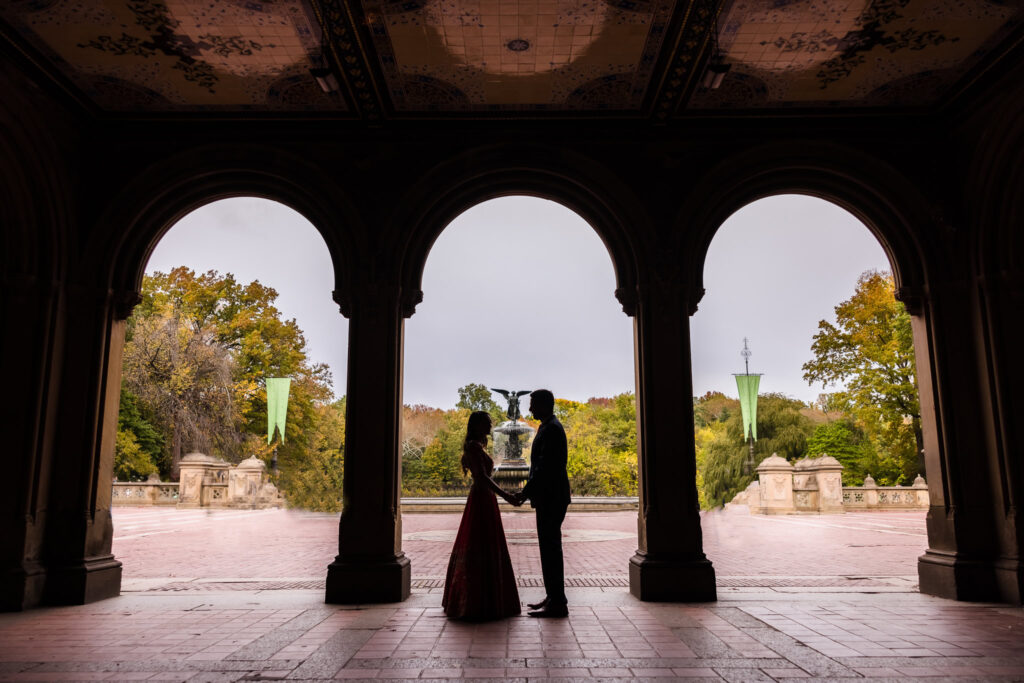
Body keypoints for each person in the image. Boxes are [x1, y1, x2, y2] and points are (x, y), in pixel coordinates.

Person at [442, 410, 522, 620]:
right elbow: (482, 478)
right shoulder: (473, 447)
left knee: (481, 544)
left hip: (483, 499)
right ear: (477, 425)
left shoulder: (475, 447)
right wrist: (507, 495)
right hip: (482, 499)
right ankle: (481, 600)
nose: (489, 427)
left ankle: (479, 599)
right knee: (482, 543)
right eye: (486, 423)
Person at [514, 389, 571, 617]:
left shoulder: (551, 429)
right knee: (550, 549)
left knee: (550, 550)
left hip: (551, 497)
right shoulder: (549, 426)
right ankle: (554, 597)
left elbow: (544, 468)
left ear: (544, 405)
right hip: (551, 497)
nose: (529, 409)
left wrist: (524, 493)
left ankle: (557, 602)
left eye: (533, 404)